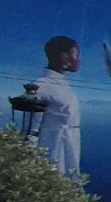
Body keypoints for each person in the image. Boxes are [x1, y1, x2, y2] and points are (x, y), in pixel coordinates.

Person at [30, 35, 82, 178]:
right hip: (53, 147)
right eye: (76, 54)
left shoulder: (60, 83)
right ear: (64, 56)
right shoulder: (43, 85)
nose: (78, 60)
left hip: (68, 144)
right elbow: (32, 127)